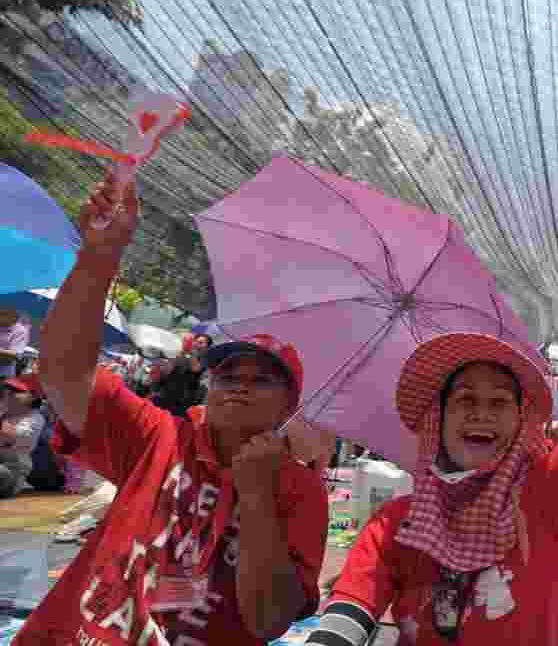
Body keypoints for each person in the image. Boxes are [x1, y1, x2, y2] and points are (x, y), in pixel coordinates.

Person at [305, 170, 558, 646]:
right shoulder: (397, 525)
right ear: (437, 420)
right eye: (465, 400)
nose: (482, 412)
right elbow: (346, 617)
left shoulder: (547, 492)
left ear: (522, 421)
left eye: (500, 401)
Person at [14, 174, 328, 645]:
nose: (239, 386)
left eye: (261, 378)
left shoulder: (299, 490)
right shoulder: (158, 436)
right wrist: (99, 256)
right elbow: (62, 374)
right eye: (228, 375)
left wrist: (258, 495)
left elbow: (270, 622)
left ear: (288, 405)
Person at [0, 374, 46, 497]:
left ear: (30, 398)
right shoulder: (4, 412)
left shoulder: (35, 418)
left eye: (12, 393)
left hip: (12, 472)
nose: (6, 397)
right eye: (6, 392)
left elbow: (11, 436)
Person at [150, 334, 215, 418]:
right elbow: (168, 370)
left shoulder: (205, 361)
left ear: (207, 347)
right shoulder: (183, 356)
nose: (195, 344)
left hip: (182, 406)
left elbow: (195, 368)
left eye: (200, 343)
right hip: (164, 397)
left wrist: (191, 352)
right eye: (195, 342)